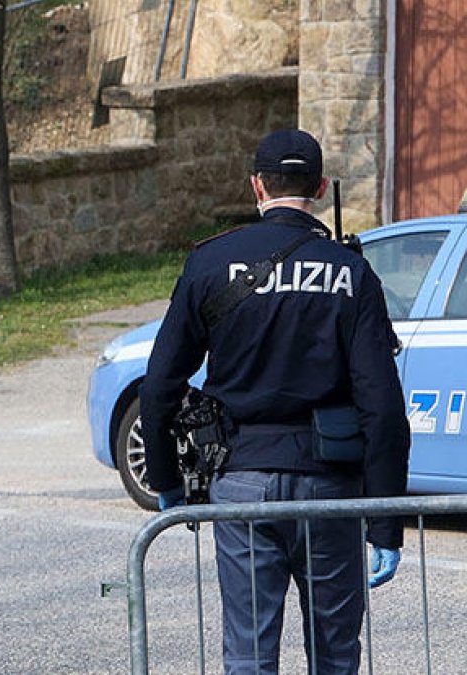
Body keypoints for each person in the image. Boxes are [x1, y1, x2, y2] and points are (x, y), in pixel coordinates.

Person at [139, 129, 410, 674]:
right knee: (335, 654)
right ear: (323, 187)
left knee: (249, 654)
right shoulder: (351, 272)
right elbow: (382, 409)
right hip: (329, 485)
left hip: (241, 482)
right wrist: (385, 522)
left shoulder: (210, 263)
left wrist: (168, 485)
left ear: (257, 186)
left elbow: (159, 386)